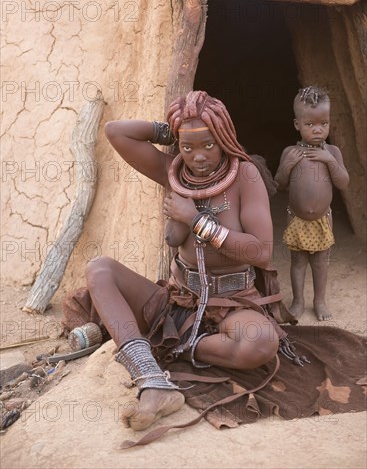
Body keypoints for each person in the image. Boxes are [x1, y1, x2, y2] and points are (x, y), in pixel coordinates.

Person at [85, 90, 287, 433]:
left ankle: (168, 344)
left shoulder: (246, 177)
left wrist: (196, 221)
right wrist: (175, 130)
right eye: (188, 147)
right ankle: (151, 379)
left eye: (208, 144)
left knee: (261, 342)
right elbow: (116, 131)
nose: (199, 157)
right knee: (99, 269)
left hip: (233, 305)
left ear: (224, 137)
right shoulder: (174, 171)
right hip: (177, 301)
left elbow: (261, 251)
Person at [274, 86, 349, 321]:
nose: (318, 130)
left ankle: (319, 301)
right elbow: (279, 184)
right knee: (297, 262)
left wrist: (330, 161)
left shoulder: (333, 152)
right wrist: (287, 166)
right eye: (310, 124)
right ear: (297, 124)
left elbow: (343, 182)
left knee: (320, 263)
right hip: (296, 218)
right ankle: (298, 300)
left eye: (323, 124)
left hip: (322, 219)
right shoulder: (290, 152)